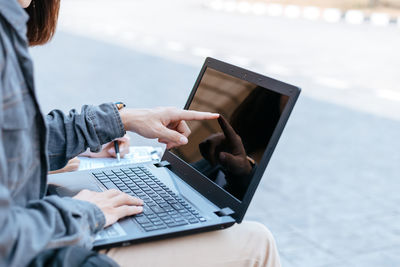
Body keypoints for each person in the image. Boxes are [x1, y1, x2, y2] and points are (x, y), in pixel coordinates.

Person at [0, 0, 281, 266]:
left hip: (40, 224)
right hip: (46, 249)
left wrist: (120, 119)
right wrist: (82, 213)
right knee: (257, 242)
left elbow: (12, 139)